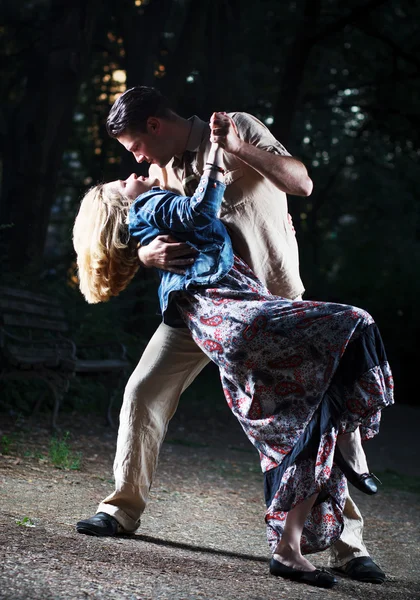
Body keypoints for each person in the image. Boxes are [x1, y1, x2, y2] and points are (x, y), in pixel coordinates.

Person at [76, 87, 387, 584]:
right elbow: (148, 227)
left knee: (319, 412)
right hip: (204, 309)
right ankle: (121, 508)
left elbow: (301, 184)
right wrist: (145, 256)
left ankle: (349, 546)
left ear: (155, 125)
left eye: (135, 146)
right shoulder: (157, 173)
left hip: (274, 302)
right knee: (143, 391)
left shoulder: (238, 125)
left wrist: (238, 149)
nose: (136, 159)